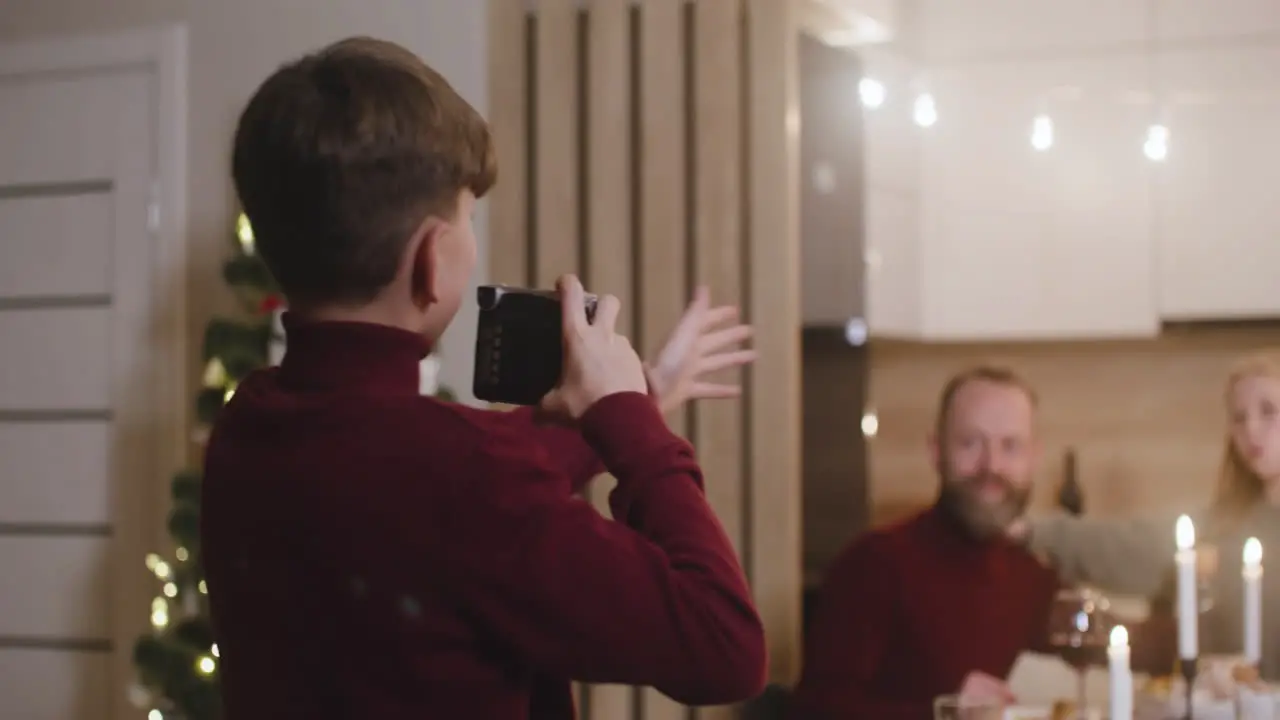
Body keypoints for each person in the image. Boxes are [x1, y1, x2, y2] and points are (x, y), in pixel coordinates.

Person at [201, 36, 767, 720]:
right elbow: (726, 646)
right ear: (434, 259)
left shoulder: (249, 420)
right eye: (468, 220)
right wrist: (636, 431)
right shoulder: (467, 480)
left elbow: (428, 487)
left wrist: (641, 391)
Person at [788, 366, 1061, 719]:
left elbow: (1102, 645)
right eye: (970, 443)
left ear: (1033, 459)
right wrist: (942, 714)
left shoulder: (1033, 578)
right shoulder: (874, 564)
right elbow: (814, 711)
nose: (991, 465)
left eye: (1010, 446)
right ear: (935, 451)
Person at [1012, 349, 1280, 679]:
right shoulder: (1226, 522)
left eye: (1269, 411)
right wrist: (1034, 532)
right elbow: (1133, 547)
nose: (1251, 430)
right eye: (1239, 418)